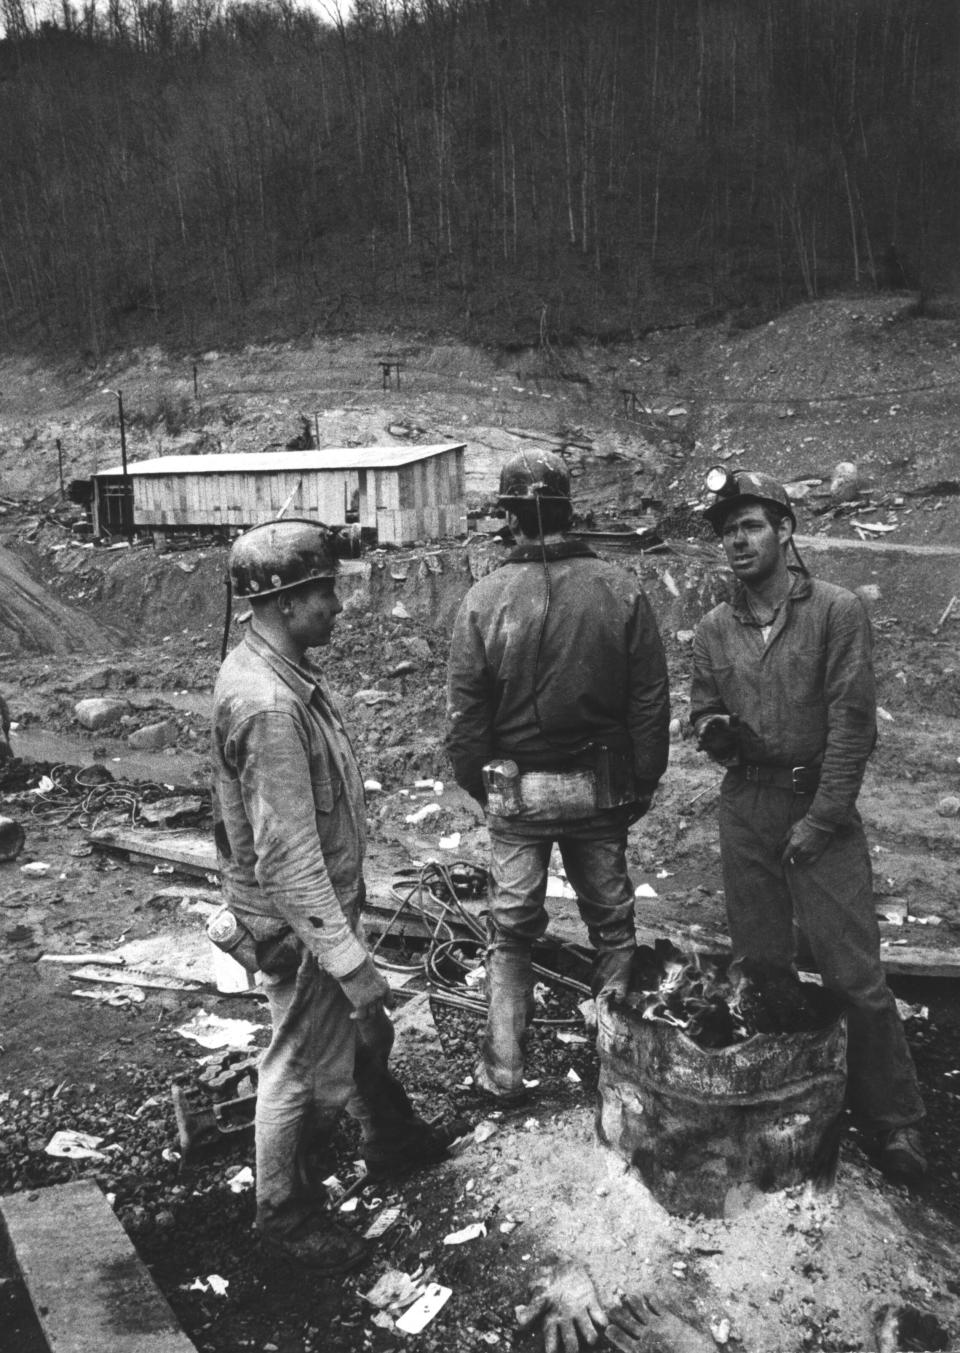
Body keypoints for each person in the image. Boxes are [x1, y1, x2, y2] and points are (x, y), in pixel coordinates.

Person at [212, 519, 461, 1274]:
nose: (338, 607)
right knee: (295, 1066)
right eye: (325, 592)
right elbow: (288, 858)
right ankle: (285, 1215)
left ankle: (392, 1138)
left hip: (311, 912)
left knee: (362, 1039)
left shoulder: (275, 676)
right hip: (299, 921)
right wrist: (351, 962)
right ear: (285, 602)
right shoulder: (269, 706)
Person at [689, 469, 926, 1182]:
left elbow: (853, 724)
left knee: (855, 974)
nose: (737, 539)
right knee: (761, 967)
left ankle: (894, 1122)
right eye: (728, 530)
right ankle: (788, 1103)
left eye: (751, 525)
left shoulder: (834, 610)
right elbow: (703, 706)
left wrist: (823, 817)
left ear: (785, 532)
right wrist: (716, 730)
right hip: (747, 805)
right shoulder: (713, 626)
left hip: (817, 802)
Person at [445, 451, 670, 1102]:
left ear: (511, 518)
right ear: (569, 509)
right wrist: (641, 782)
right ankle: (619, 1068)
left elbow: (467, 721)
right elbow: (650, 701)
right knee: (613, 928)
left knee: (511, 932)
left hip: (517, 791)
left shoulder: (484, 599)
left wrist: (487, 787)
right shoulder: (620, 588)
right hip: (601, 787)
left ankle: (503, 1071)